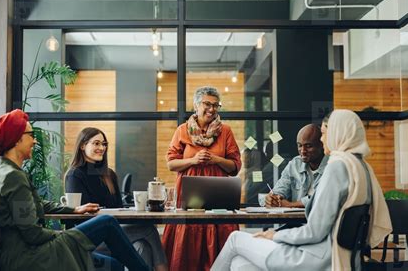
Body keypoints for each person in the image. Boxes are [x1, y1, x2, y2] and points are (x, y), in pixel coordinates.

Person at [211, 109, 392, 271]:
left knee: (235, 238)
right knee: (240, 265)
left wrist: (275, 235)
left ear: (338, 132)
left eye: (324, 134)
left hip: (315, 257)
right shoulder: (361, 167)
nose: (322, 139)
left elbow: (314, 231)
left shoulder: (337, 167)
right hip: (344, 256)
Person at [0, 109, 149, 271]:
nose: (34, 141)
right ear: (17, 139)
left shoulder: (4, 171)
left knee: (114, 266)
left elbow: (36, 204)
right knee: (107, 222)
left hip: (23, 252)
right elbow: (32, 234)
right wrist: (65, 235)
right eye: (31, 135)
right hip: (28, 256)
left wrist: (74, 209)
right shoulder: (13, 177)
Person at [65, 127, 168, 271]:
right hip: (91, 236)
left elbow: (120, 209)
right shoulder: (75, 175)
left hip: (113, 231)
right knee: (149, 230)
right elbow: (80, 216)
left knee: (142, 246)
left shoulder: (109, 174)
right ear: (82, 146)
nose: (101, 147)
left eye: (104, 144)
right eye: (96, 143)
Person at [162, 86, 242, 271]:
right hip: (189, 198)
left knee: (221, 242)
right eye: (207, 104)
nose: (212, 109)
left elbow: (235, 166)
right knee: (187, 247)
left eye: (216, 105)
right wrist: (193, 160)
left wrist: (215, 159)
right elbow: (171, 164)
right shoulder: (182, 130)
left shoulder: (226, 131)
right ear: (196, 105)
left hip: (219, 199)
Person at [265, 124, 328, 208]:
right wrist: (273, 198)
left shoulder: (332, 165)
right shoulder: (295, 164)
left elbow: (322, 198)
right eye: (300, 145)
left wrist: (290, 205)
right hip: (295, 220)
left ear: (321, 145)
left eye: (308, 146)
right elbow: (280, 188)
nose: (303, 151)